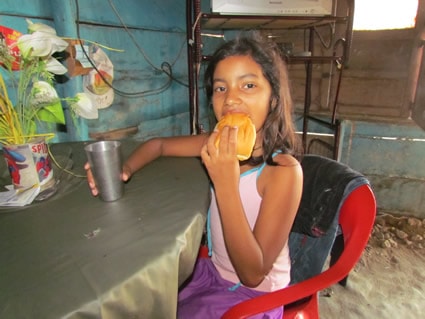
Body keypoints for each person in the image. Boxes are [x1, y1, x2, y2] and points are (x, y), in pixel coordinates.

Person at [85, 32, 303, 318]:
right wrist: (124, 168)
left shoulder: (283, 172)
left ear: (273, 98)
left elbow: (253, 273)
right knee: (143, 300)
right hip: (213, 272)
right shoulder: (214, 143)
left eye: (248, 85)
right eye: (220, 88)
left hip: (254, 297)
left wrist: (226, 184)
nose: (231, 99)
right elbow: (158, 145)